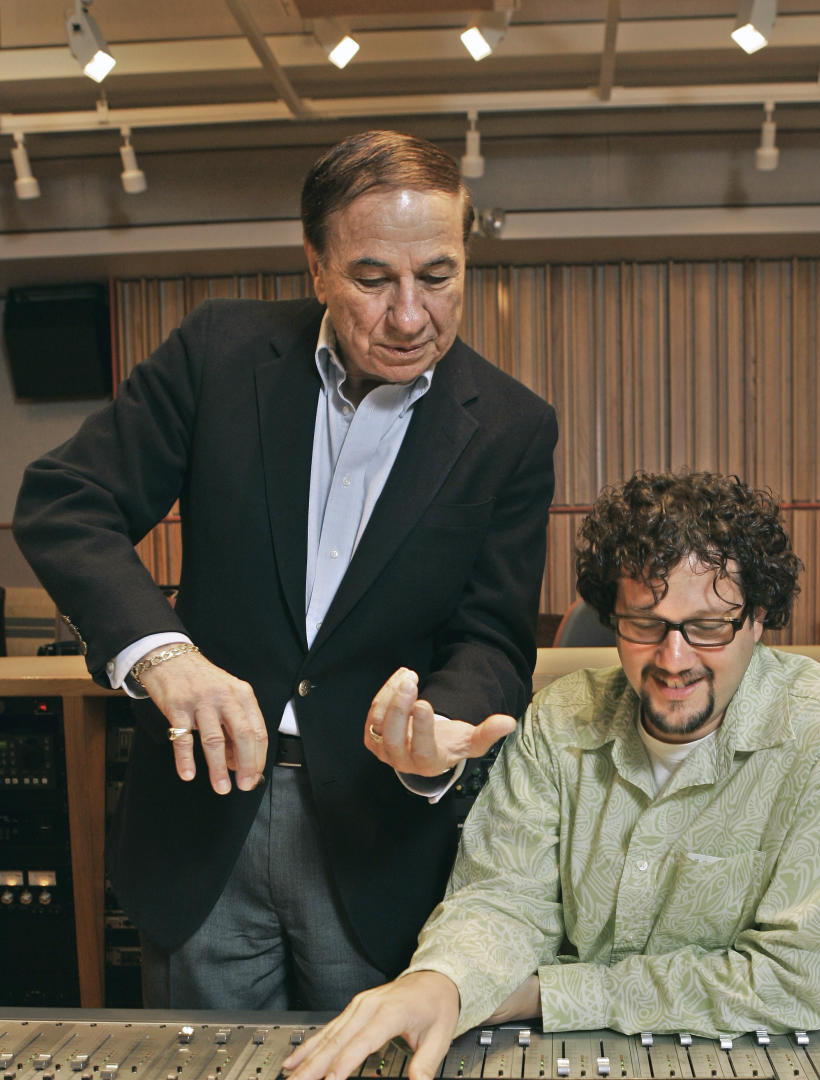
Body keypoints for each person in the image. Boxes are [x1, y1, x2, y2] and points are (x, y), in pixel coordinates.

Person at [13, 129, 557, 1011]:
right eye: (373, 279)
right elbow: (66, 499)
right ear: (316, 267)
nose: (411, 315)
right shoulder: (218, 351)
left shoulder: (512, 426)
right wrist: (164, 657)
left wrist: (434, 735)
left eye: (440, 276)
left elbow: (491, 636)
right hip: (202, 826)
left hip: (379, 835)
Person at [282, 469, 820, 1080]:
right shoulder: (561, 717)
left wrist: (543, 993)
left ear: (758, 617)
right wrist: (442, 980)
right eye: (645, 623)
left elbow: (793, 982)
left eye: (709, 626)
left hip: (765, 1072)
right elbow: (503, 897)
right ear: (612, 618)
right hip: (572, 1064)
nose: (674, 657)